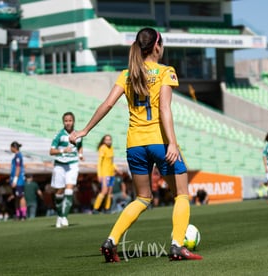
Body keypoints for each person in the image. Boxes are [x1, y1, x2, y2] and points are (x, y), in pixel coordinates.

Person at [70, 28, 203, 262]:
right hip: (159, 142)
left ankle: (111, 240)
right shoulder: (165, 71)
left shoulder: (126, 74)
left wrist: (85, 130)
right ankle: (177, 245)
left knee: (142, 198)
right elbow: (164, 109)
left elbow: (107, 104)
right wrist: (172, 142)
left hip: (134, 145)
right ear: (157, 46)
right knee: (181, 194)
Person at [49, 112, 84, 228]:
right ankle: (59, 215)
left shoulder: (78, 134)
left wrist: (80, 154)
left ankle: (64, 216)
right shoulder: (59, 135)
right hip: (60, 165)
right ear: (63, 122)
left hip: (73, 164)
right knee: (59, 192)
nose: (68, 123)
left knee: (69, 189)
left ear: (73, 121)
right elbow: (51, 151)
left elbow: (79, 146)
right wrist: (64, 150)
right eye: (66, 121)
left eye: (70, 120)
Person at [93, 134, 117, 213]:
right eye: (107, 140)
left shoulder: (111, 148)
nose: (109, 141)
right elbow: (99, 163)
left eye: (110, 139)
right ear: (104, 141)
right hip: (105, 173)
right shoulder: (103, 148)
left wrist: (116, 169)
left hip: (111, 173)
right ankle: (95, 208)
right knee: (104, 191)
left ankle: (107, 208)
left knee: (110, 191)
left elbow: (112, 162)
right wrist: (99, 174)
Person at [10, 141, 27, 220]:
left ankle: (23, 214)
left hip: (19, 180)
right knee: (17, 197)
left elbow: (18, 168)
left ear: (14, 147)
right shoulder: (17, 156)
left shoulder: (18, 156)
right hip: (17, 180)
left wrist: (15, 180)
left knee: (21, 196)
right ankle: (18, 214)